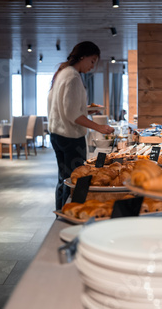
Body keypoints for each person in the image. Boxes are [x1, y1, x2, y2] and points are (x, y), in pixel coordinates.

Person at [48, 41, 114, 210]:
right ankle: (72, 213)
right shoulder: (73, 76)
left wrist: (86, 111)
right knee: (76, 180)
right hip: (70, 138)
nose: (92, 66)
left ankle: (61, 214)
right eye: (92, 61)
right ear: (83, 57)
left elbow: (64, 108)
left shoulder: (63, 73)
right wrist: (99, 127)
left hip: (57, 135)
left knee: (64, 179)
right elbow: (71, 113)